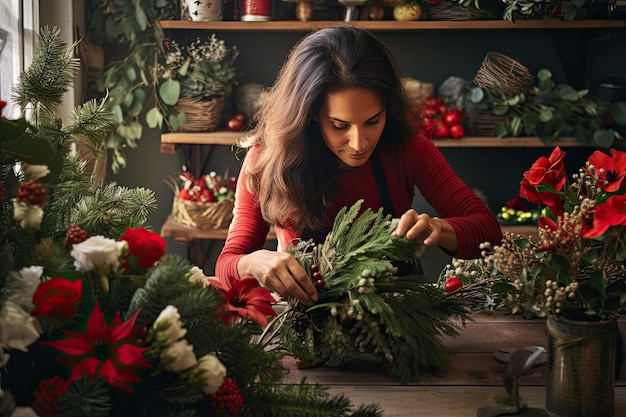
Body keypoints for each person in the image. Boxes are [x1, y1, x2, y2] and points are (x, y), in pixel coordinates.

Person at [216, 25, 502, 307]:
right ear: (311, 113)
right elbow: (227, 263)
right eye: (340, 125)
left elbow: (488, 231)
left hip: (397, 313)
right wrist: (251, 263)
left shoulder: (408, 151)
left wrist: (438, 228)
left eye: (373, 121)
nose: (359, 143)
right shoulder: (266, 159)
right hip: (309, 319)